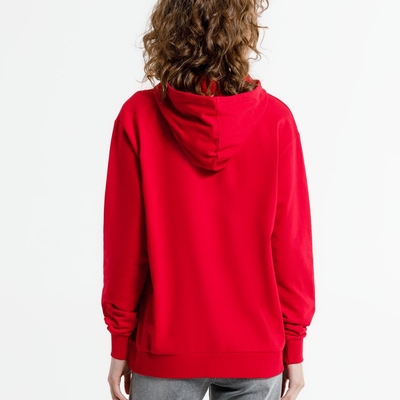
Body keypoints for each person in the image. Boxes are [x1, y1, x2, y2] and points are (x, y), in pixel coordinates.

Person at [101, 1, 316, 399]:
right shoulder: (276, 120)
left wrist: (120, 342)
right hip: (256, 349)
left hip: (165, 349)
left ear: (169, 30)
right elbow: (291, 247)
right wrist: (294, 345)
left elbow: (125, 247)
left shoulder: (138, 117)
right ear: (242, 33)